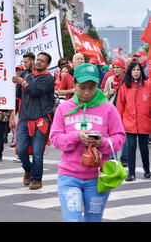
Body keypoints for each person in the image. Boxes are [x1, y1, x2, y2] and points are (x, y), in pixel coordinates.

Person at [50, 63, 125, 222]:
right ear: (74, 84)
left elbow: (119, 138)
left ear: (97, 85)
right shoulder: (64, 108)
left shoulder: (108, 108)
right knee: (72, 219)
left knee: (93, 219)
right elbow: (55, 138)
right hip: (69, 176)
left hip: (97, 178)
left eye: (92, 87)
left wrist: (102, 142)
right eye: (82, 87)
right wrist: (76, 136)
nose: (86, 92)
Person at [12, 52, 55, 190]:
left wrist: (22, 82)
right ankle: (28, 170)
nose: (38, 62)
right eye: (38, 59)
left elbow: (35, 91)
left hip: (40, 120)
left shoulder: (48, 78)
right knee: (21, 149)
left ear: (48, 65)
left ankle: (37, 179)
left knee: (37, 152)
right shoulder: (28, 75)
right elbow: (18, 95)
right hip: (24, 119)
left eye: (42, 61)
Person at [116, 61, 151, 181]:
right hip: (129, 122)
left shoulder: (148, 85)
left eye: (138, 70)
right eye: (134, 70)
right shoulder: (124, 87)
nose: (136, 72)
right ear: (130, 72)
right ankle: (131, 173)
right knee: (130, 148)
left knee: (144, 148)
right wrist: (118, 124)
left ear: (141, 71)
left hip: (144, 122)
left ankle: (147, 170)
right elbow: (120, 107)